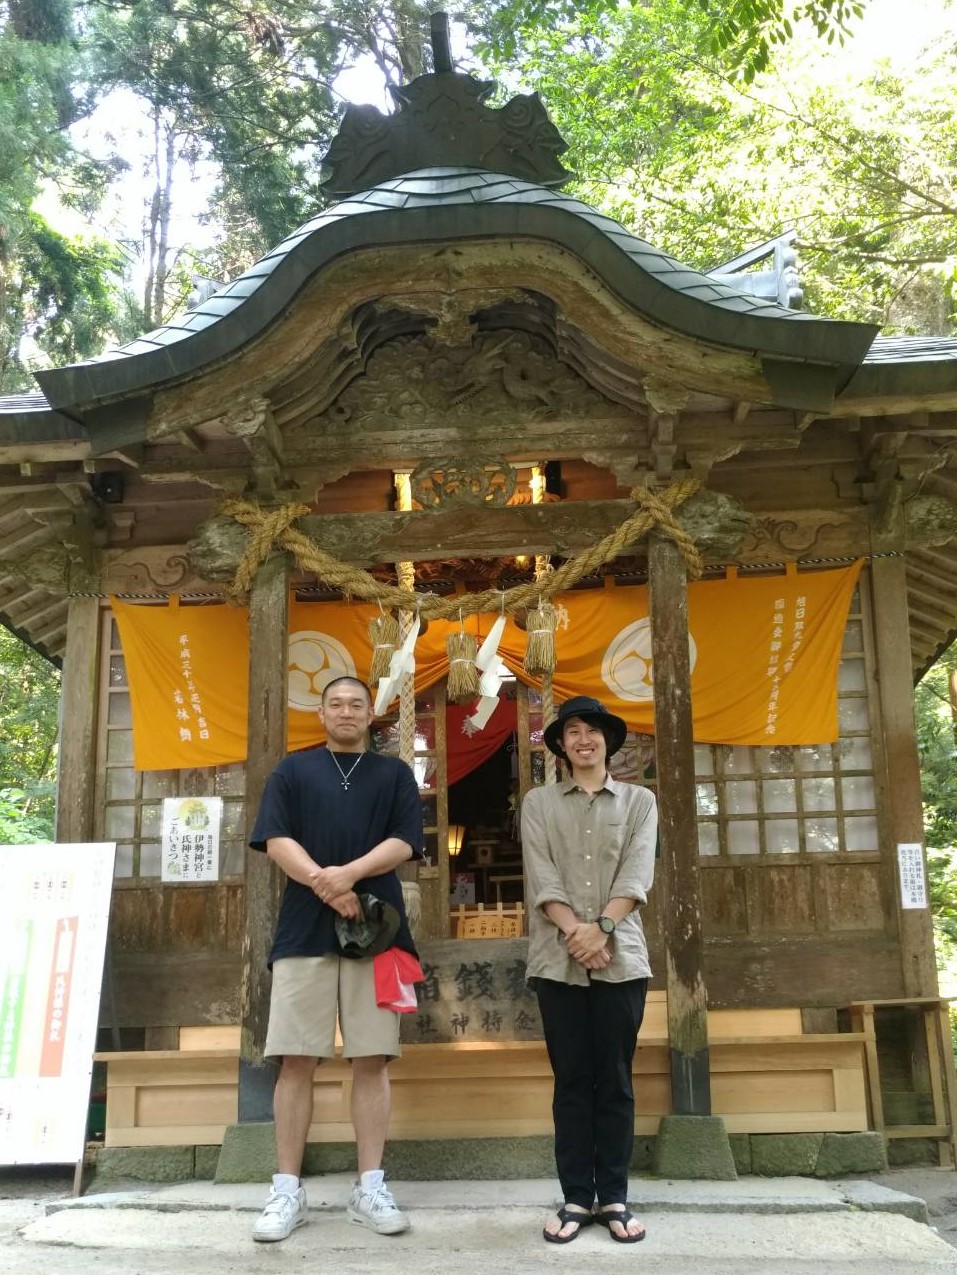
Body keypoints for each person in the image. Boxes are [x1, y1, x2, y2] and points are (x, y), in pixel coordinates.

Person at [248, 675, 424, 1243]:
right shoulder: (292, 771)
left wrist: (347, 875)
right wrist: (326, 887)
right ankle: (286, 1190)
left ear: (371, 714)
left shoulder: (394, 774)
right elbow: (277, 840)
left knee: (372, 1057)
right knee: (296, 1058)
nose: (346, 712)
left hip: (379, 932)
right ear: (321, 714)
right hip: (303, 933)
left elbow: (404, 841)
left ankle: (370, 1185)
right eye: (336, 704)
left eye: (356, 705)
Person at [521, 695, 657, 1245]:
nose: (584, 739)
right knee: (573, 1080)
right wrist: (578, 935)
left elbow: (637, 873)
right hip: (558, 964)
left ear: (608, 741)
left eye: (593, 730)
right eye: (573, 730)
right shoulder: (538, 803)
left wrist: (600, 928)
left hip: (622, 960)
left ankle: (615, 1196)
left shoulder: (640, 801)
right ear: (560, 744)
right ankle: (577, 1196)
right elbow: (541, 875)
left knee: (616, 1080)